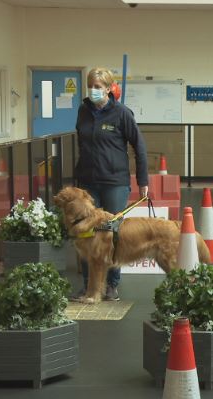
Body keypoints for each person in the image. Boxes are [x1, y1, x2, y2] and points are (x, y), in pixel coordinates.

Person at [71, 67, 148, 301]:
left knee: (112, 233)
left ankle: (112, 285)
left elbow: (139, 147)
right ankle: (88, 286)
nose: (93, 90)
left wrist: (142, 180)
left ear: (108, 88)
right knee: (86, 234)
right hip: (87, 183)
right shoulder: (83, 111)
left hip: (114, 182)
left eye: (98, 86)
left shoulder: (122, 113)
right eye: (90, 86)